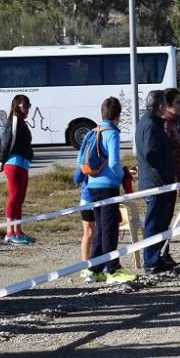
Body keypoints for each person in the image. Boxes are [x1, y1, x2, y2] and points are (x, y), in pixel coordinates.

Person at [81, 97, 135, 284]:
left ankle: (94, 269)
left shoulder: (94, 131)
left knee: (100, 229)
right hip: (108, 187)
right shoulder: (112, 133)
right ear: (118, 115)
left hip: (92, 185)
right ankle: (113, 269)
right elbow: (113, 162)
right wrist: (122, 175)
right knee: (110, 228)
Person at [135, 90, 177, 273]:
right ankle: (151, 260)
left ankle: (157, 257)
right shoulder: (151, 124)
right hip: (155, 182)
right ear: (160, 106)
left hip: (157, 180)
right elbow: (151, 152)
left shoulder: (148, 122)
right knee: (153, 222)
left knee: (159, 221)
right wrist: (164, 170)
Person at [0, 94, 35, 245]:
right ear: (16, 106)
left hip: (23, 163)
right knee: (14, 197)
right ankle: (9, 232)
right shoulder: (13, 120)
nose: (27, 109)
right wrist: (2, 160)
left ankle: (19, 231)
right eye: (24, 106)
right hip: (13, 163)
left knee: (20, 198)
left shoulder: (22, 122)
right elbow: (7, 140)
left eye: (28, 106)